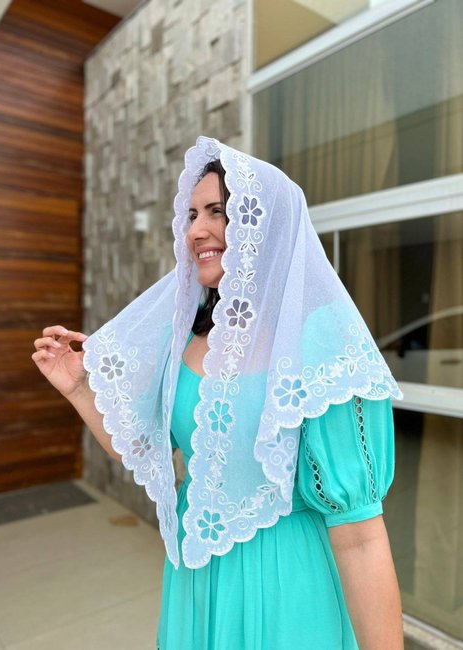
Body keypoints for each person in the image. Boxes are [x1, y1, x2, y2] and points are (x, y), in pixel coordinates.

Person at [33, 136, 404, 649]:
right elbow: (150, 450)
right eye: (191, 215)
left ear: (263, 225)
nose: (196, 231)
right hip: (197, 580)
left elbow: (360, 535)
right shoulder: (189, 338)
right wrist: (78, 389)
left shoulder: (321, 345)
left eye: (217, 212)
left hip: (286, 590)